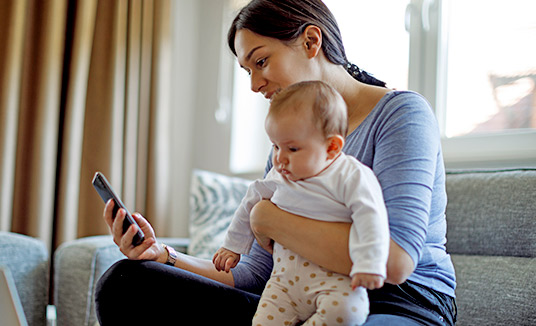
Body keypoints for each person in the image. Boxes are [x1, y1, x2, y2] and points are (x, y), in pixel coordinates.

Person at [95, 0, 457, 325]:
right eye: (247, 70)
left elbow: (394, 262)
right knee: (127, 282)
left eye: (261, 61)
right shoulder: (289, 148)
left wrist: (268, 218)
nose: (254, 85)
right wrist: (165, 256)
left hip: (395, 301)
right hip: (298, 296)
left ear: (311, 42)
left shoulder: (401, 115)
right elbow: (253, 274)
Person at [213, 80, 389, 325]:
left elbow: (371, 217)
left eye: (293, 149)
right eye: (275, 146)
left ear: (332, 147)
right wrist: (232, 246)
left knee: (349, 311)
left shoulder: (349, 175)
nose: (280, 159)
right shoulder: (279, 175)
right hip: (283, 284)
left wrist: (370, 262)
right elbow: (250, 200)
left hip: (334, 283)